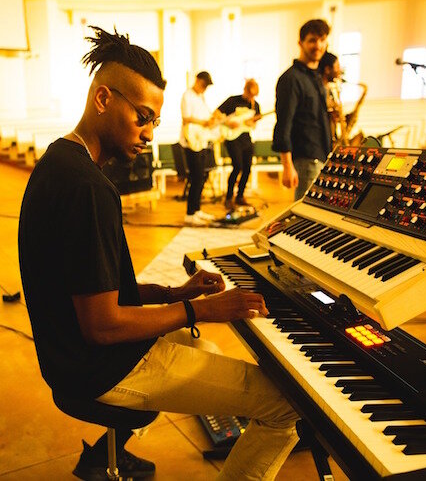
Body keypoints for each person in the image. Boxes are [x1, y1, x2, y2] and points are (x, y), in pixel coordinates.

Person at [19, 27, 299, 481]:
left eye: (154, 122)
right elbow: (104, 326)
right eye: (143, 118)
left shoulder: (57, 162)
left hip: (67, 360)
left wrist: (171, 294)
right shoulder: (89, 189)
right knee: (283, 405)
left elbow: (94, 287)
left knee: (197, 343)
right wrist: (200, 307)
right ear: (103, 99)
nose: (150, 134)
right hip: (99, 371)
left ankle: (106, 453)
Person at [272, 19, 332, 200]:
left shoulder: (316, 78)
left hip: (322, 155)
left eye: (322, 40)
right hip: (306, 159)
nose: (318, 45)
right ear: (301, 43)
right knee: (306, 212)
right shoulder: (291, 79)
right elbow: (284, 124)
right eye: (312, 40)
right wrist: (287, 166)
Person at [216, 79, 262, 209]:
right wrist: (227, 122)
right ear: (245, 90)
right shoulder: (232, 101)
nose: (251, 98)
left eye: (254, 96)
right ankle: (229, 197)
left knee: (247, 168)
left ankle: (240, 196)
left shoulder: (255, 105)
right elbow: (217, 114)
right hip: (232, 139)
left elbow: (254, 124)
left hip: (246, 138)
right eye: (250, 94)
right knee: (237, 166)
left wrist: (251, 123)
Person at [180, 71, 217, 226]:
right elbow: (186, 118)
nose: (204, 88)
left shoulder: (201, 97)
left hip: (201, 141)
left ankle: (197, 210)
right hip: (191, 142)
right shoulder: (187, 96)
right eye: (203, 85)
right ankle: (189, 214)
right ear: (197, 80)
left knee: (201, 177)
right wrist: (203, 123)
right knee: (196, 178)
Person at [318, 52, 344, 145]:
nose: (339, 70)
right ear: (327, 69)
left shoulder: (329, 90)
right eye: (337, 66)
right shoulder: (318, 90)